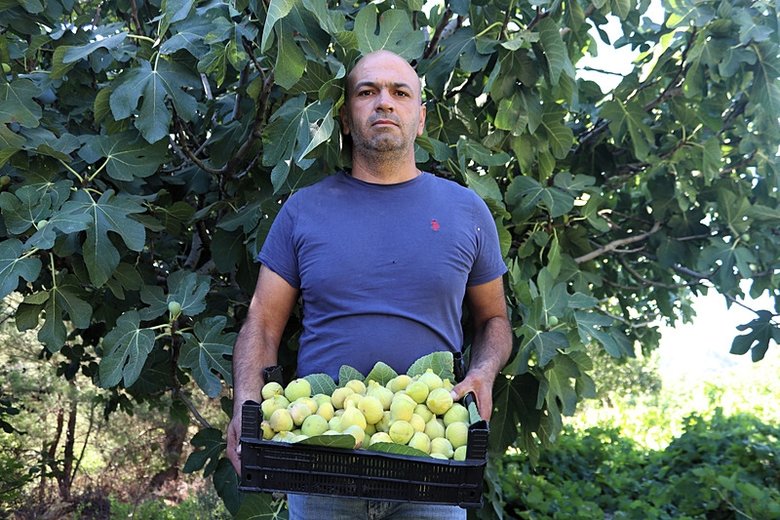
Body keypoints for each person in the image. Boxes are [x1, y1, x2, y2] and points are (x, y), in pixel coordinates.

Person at [226, 49, 512, 520]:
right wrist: (246, 403)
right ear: (345, 117)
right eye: (367, 92)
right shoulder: (303, 211)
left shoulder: (466, 211)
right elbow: (262, 321)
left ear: (421, 118)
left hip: (432, 461)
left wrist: (483, 372)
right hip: (321, 461)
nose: (384, 102)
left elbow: (494, 319)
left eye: (400, 92)